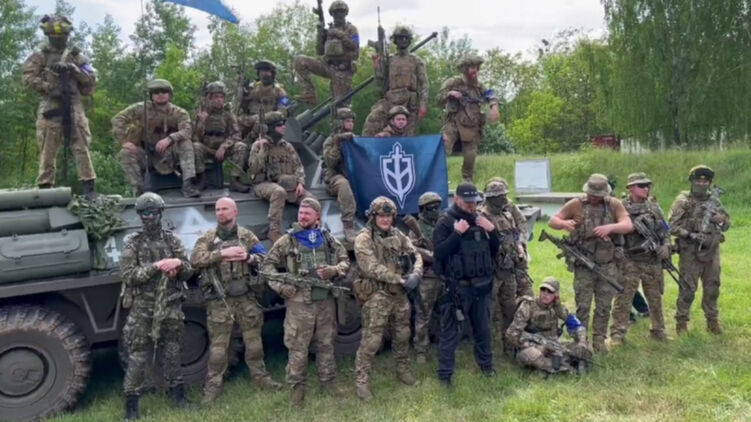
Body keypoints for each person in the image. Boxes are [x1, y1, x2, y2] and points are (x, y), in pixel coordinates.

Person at [190, 197, 281, 405]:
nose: (220, 213)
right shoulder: (208, 238)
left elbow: (264, 259)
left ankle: (261, 379)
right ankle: (212, 388)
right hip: (220, 300)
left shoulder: (246, 236)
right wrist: (222, 254)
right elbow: (195, 260)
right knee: (218, 349)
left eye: (224, 209)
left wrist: (248, 258)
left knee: (254, 344)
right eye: (217, 209)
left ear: (235, 211)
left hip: (245, 298)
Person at [262, 198, 350, 407]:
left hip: (325, 301)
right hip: (299, 304)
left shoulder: (326, 238)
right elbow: (267, 266)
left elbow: (345, 260)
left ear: (317, 216)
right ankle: (297, 391)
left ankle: (328, 382)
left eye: (307, 214)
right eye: (300, 213)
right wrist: (282, 287)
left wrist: (333, 270)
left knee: (326, 344)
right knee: (298, 348)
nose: (302, 217)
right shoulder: (289, 240)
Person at [120, 192, 194, 421]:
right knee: (138, 356)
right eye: (145, 213)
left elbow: (188, 271)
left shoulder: (172, 240)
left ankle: (179, 397)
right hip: (143, 308)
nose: (149, 217)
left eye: (153, 212)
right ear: (140, 215)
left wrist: (177, 265)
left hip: (170, 304)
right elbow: (129, 275)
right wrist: (157, 266)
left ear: (161, 213)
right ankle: (131, 408)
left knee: (172, 352)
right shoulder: (133, 243)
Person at [548, 173, 632, 352]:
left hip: (607, 263)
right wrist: (564, 224)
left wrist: (611, 227)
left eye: (598, 195)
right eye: (591, 194)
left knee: (604, 305)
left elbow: (628, 224)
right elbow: (552, 221)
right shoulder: (576, 204)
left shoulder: (614, 204)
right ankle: (581, 340)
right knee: (583, 304)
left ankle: (599, 339)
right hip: (583, 264)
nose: (594, 197)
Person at [353, 196, 423, 401]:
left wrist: (416, 274)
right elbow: (370, 267)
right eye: (381, 216)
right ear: (373, 216)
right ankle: (362, 381)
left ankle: (403, 371)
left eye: (389, 216)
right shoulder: (364, 238)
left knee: (402, 335)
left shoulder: (397, 234)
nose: (385, 219)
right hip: (377, 294)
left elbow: (416, 254)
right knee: (371, 341)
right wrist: (399, 279)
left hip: (399, 294)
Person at [433, 182, 501, 386]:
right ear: (456, 199)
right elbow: (439, 253)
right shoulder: (446, 222)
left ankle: (487, 367)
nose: (472, 206)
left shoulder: (481, 219)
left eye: (475, 202)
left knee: (483, 330)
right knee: (451, 333)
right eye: (468, 202)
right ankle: (445, 376)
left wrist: (493, 231)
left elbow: (494, 250)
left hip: (482, 286)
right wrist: (457, 234)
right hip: (459, 288)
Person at [23, 15, 97, 199]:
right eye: (53, 34)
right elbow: (28, 78)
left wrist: (73, 69)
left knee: (81, 145)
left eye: (61, 34)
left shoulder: (77, 57)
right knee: (47, 147)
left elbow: (90, 81)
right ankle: (45, 186)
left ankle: (88, 186)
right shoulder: (40, 57)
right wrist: (48, 87)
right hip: (50, 104)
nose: (58, 38)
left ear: (67, 34)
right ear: (48, 35)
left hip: (73, 103)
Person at [668, 165, 730, 335]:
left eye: (706, 181)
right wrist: (690, 234)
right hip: (690, 251)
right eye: (698, 181)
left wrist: (721, 220)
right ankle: (681, 323)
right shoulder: (683, 201)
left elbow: (726, 225)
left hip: (712, 250)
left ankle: (712, 321)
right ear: (692, 181)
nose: (702, 184)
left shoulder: (714, 201)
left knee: (713, 287)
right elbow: (671, 226)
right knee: (688, 288)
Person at [609, 173, 670, 344]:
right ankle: (617, 334)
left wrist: (666, 245)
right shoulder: (620, 208)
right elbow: (613, 231)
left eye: (647, 185)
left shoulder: (654, 207)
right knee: (623, 298)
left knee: (655, 298)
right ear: (630, 188)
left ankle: (658, 330)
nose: (646, 189)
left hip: (652, 260)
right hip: (630, 260)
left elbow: (665, 229)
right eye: (641, 186)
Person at [112, 78, 200, 197]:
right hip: (148, 154)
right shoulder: (142, 108)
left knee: (186, 143)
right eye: (156, 92)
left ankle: (188, 184)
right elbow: (118, 119)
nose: (160, 94)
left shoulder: (179, 112)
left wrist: (170, 139)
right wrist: (124, 141)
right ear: (151, 95)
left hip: (171, 154)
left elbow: (187, 131)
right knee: (125, 152)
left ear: (169, 94)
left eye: (163, 91)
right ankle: (139, 190)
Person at [479, 177, 529, 354]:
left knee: (509, 307)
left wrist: (519, 248)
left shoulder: (507, 214)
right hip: (492, 271)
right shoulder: (482, 217)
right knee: (490, 311)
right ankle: (489, 348)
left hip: (509, 270)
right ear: (492, 198)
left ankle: (509, 345)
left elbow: (515, 234)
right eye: (501, 197)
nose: (505, 199)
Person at [248, 111, 315, 242]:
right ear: (270, 128)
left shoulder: (287, 146)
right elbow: (255, 169)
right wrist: (262, 150)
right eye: (279, 124)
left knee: (311, 200)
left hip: (287, 184)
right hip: (263, 184)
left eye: (284, 124)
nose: (284, 127)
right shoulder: (258, 145)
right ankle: (274, 231)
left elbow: (298, 166)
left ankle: (311, 230)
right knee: (279, 192)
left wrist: (300, 182)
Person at [505, 277, 592, 375]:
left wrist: (582, 342)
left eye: (550, 292)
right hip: (531, 348)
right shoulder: (528, 306)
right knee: (534, 355)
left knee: (586, 347)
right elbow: (511, 334)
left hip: (552, 346)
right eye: (543, 290)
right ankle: (567, 368)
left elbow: (576, 325)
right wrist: (536, 346)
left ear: (556, 294)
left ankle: (556, 368)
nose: (545, 294)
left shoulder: (557, 308)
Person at [438, 55, 500, 182]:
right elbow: (438, 99)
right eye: (472, 67)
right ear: (464, 68)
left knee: (470, 156)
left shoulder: (479, 86)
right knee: (443, 147)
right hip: (453, 123)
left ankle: (467, 182)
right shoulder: (453, 82)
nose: (474, 70)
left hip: (472, 126)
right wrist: (449, 94)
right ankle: (437, 178)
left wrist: (494, 107)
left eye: (476, 67)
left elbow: (490, 95)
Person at [361, 26, 428, 136]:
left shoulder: (416, 60)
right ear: (395, 40)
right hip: (391, 99)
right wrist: (376, 66)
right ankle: (366, 145)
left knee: (406, 134)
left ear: (409, 40)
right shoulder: (390, 60)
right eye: (400, 38)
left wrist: (423, 105)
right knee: (373, 119)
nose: (403, 40)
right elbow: (379, 81)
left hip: (409, 101)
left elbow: (423, 84)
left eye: (406, 38)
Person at [294, 0, 359, 105]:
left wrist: (339, 34)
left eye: (341, 12)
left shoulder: (351, 29)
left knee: (340, 105)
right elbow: (319, 51)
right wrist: (320, 34)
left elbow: (355, 47)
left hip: (342, 71)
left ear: (345, 13)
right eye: (335, 12)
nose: (338, 15)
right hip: (327, 66)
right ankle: (309, 94)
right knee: (299, 60)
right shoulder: (329, 31)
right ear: (332, 14)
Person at [403, 192, 443, 365]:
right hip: (427, 277)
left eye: (437, 207)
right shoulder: (416, 227)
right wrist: (430, 254)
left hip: (444, 275)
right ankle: (421, 349)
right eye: (431, 208)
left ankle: (443, 343)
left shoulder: (442, 223)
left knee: (445, 312)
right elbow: (412, 249)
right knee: (423, 315)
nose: (435, 211)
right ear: (423, 210)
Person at [192, 81, 249, 192]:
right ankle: (202, 179)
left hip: (223, 148)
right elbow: (195, 137)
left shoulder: (228, 114)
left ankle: (234, 180)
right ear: (209, 98)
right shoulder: (200, 113)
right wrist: (202, 122)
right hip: (207, 148)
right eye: (216, 97)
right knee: (195, 146)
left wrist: (224, 147)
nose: (219, 100)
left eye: (221, 97)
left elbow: (236, 134)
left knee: (240, 146)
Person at [321, 108, 358, 243]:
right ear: (339, 123)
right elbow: (330, 162)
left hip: (353, 175)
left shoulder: (355, 139)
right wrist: (337, 143)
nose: (351, 124)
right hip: (334, 176)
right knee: (343, 184)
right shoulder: (330, 141)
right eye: (347, 121)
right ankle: (348, 225)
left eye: (352, 121)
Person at [236, 60, 290, 141]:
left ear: (272, 74)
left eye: (267, 72)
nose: (264, 74)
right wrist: (242, 92)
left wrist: (262, 117)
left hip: (267, 124)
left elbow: (282, 113)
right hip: (248, 121)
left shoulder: (280, 91)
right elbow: (241, 105)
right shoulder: (252, 88)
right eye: (262, 72)